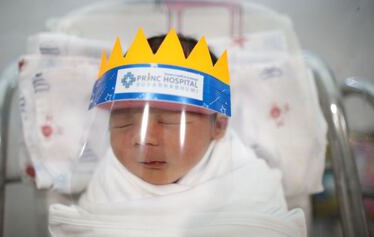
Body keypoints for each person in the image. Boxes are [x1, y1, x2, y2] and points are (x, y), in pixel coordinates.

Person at [49, 28, 306, 237]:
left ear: (219, 126)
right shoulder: (109, 180)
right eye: (125, 122)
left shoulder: (250, 182)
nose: (143, 138)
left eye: (170, 122)